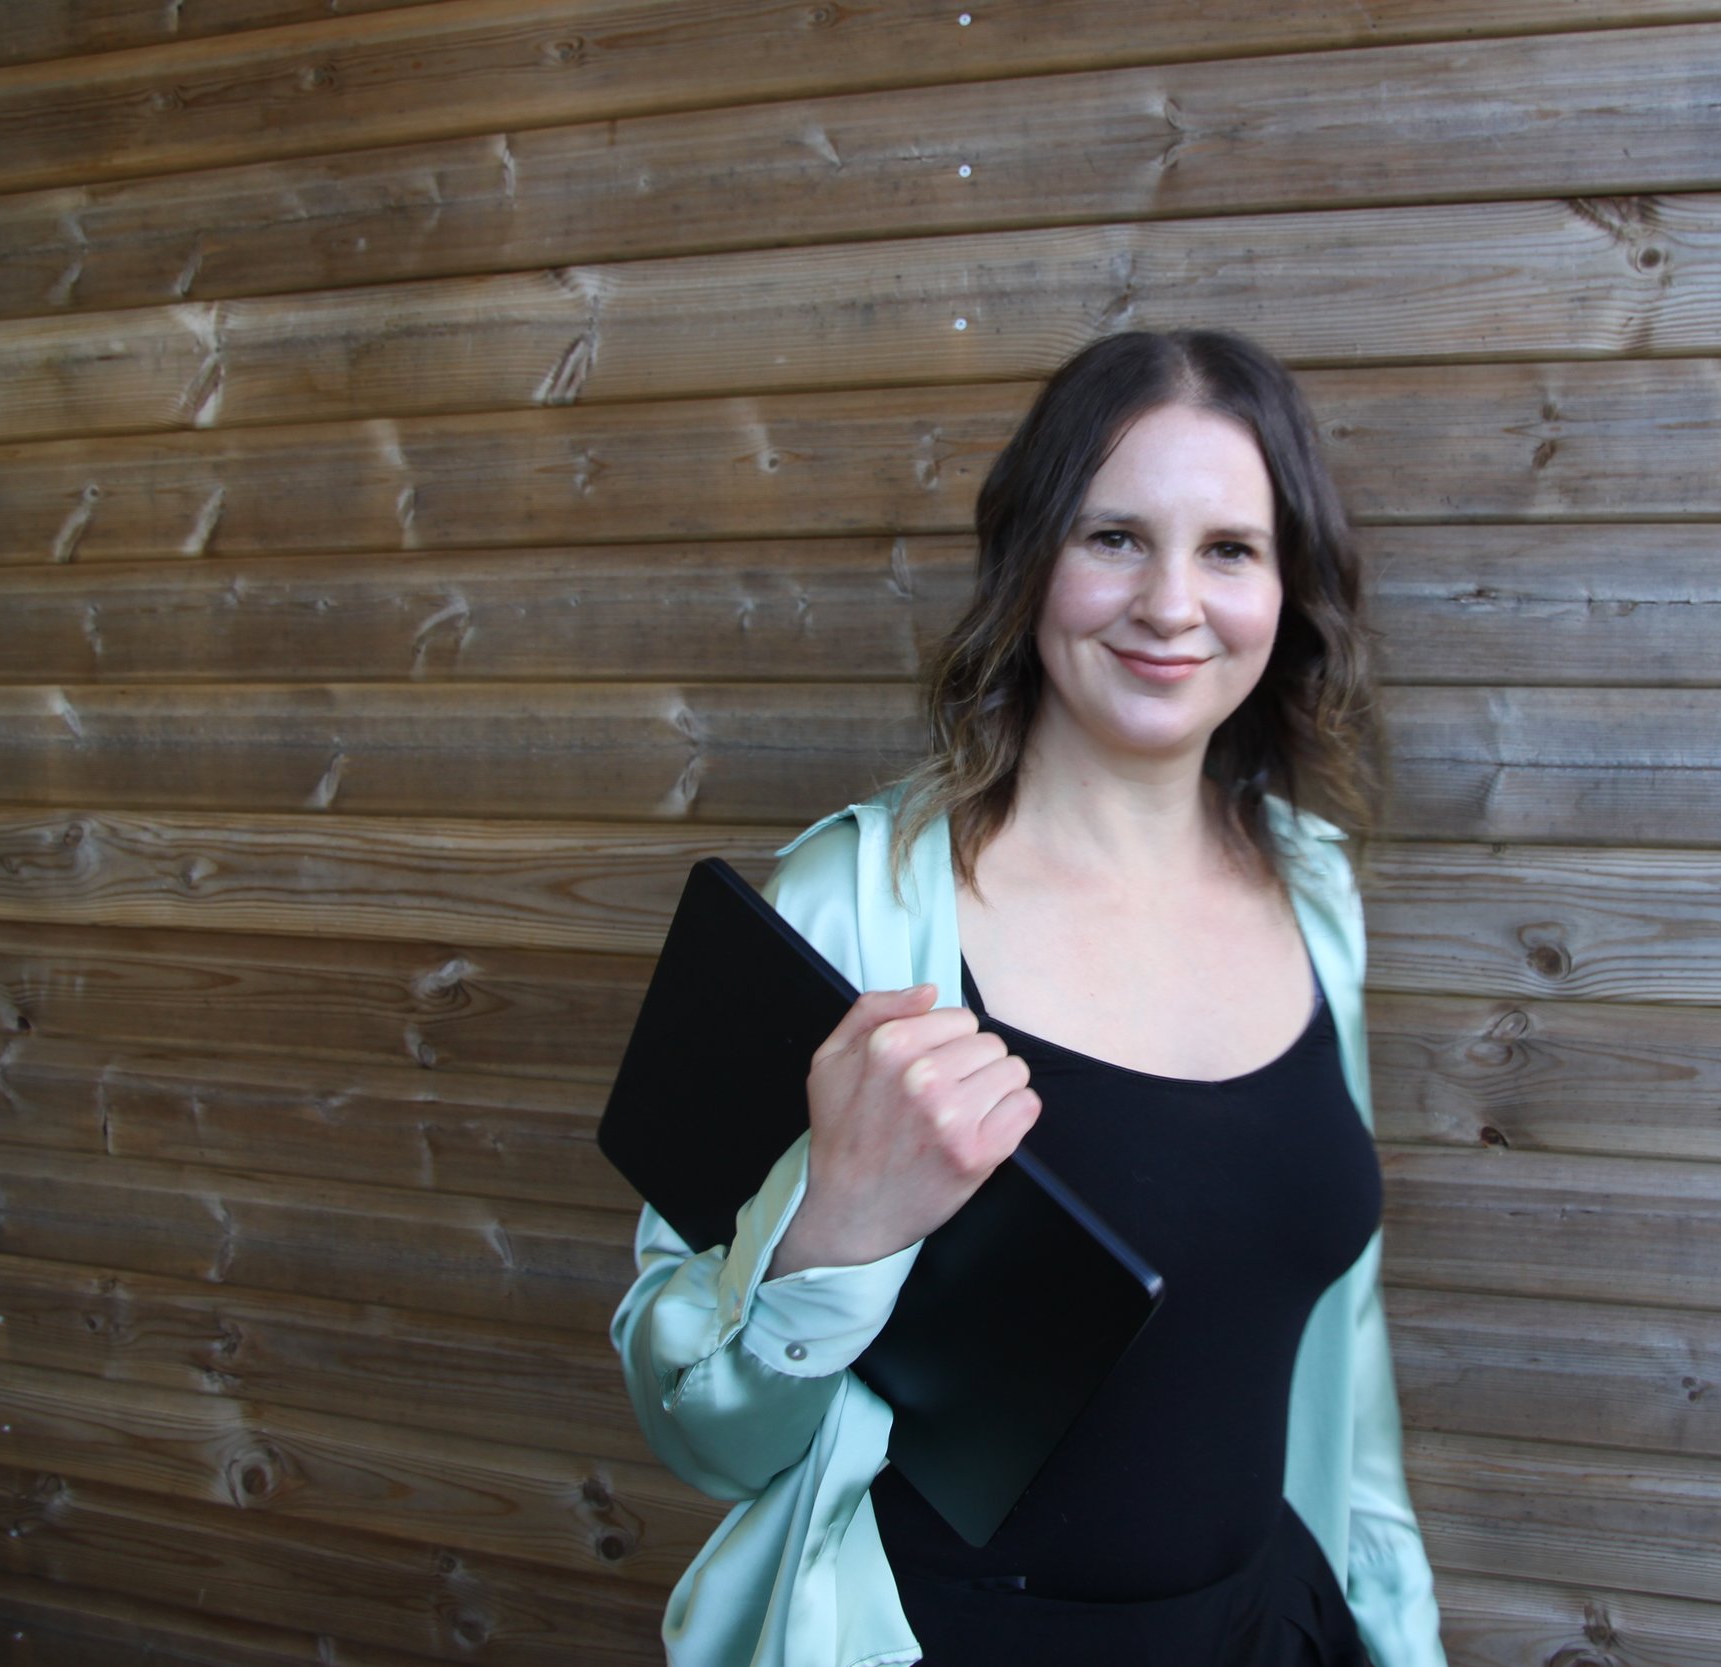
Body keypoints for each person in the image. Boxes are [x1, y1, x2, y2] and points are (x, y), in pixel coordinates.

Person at [611, 330, 1447, 1667]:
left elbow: (1347, 1363)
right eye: (1114, 536)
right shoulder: (858, 905)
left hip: (1268, 1632)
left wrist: (1398, 1634)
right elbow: (698, 1429)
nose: (1172, 603)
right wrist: (834, 1228)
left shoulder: (1316, 892)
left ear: (1289, 588)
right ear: (1030, 557)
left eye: (1228, 549)